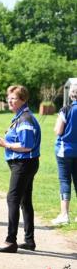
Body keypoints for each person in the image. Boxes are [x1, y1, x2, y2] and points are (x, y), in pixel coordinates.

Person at [0, 85, 41, 253]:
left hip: (23, 164)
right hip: (25, 164)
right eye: (9, 97)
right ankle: (29, 240)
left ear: (23, 100)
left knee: (13, 199)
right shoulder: (21, 117)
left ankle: (10, 240)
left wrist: (6, 144)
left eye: (13, 98)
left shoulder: (25, 119)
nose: (9, 101)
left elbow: (27, 145)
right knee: (24, 201)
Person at [52, 86, 77, 225]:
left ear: (72, 95)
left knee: (65, 181)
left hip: (65, 150)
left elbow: (58, 130)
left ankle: (64, 214)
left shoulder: (66, 110)